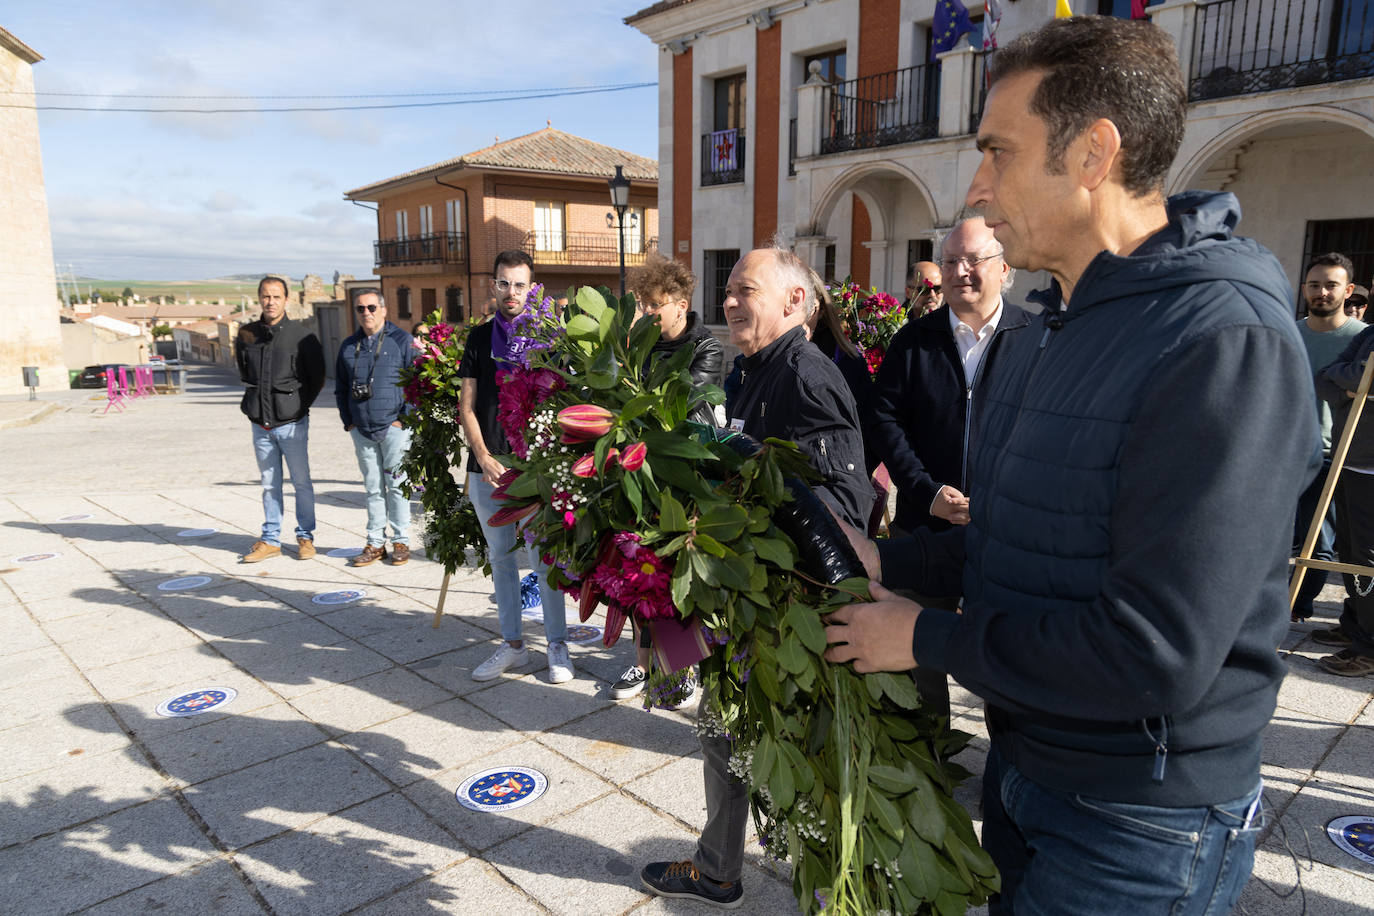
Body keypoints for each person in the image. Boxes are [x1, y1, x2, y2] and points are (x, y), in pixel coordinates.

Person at [822, 17, 1318, 915]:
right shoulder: (1061, 323)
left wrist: (924, 637)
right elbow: (1015, 542)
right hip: (1031, 766)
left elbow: (1155, 652)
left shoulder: (1221, 341)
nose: (975, 186)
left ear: (1093, 155)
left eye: (998, 152)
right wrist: (884, 562)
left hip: (1139, 823)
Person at [641, 246, 870, 909]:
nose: (730, 301)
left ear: (795, 301)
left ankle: (833, 892)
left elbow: (844, 516)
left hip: (785, 626)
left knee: (789, 765)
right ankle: (718, 873)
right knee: (719, 735)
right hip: (739, 614)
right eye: (729, 290)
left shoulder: (807, 376)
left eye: (747, 289)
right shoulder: (747, 374)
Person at [872, 217, 1031, 537]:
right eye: (951, 261)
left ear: (1004, 268)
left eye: (974, 259)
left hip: (1008, 535)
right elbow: (884, 420)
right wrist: (926, 492)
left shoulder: (1036, 341)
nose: (960, 271)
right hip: (921, 533)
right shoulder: (911, 341)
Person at [611, 254, 724, 702]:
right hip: (642, 469)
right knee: (640, 571)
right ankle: (641, 664)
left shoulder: (706, 346)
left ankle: (683, 669)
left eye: (654, 304)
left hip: (684, 472)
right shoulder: (643, 342)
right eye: (643, 303)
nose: (647, 312)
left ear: (680, 302)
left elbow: (678, 403)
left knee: (675, 574)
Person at [459, 250, 574, 685]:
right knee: (502, 559)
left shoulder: (551, 337)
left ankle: (557, 646)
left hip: (537, 470)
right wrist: (484, 456)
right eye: (504, 283)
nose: (512, 292)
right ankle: (512, 646)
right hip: (486, 469)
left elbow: (564, 399)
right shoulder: (478, 338)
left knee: (545, 560)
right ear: (494, 285)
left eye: (520, 284)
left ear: (532, 287)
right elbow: (466, 406)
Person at [1292, 253, 1365, 619]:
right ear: (1304, 288)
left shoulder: (1362, 339)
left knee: (1319, 542)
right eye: (1314, 284)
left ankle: (1297, 607)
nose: (1322, 292)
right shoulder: (1287, 332)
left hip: (1332, 455)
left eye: (1331, 285)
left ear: (1348, 290)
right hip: (1282, 453)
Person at [236, 276, 326, 563]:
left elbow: (317, 379)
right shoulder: (247, 334)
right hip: (259, 424)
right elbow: (245, 372)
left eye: (276, 296)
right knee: (269, 484)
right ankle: (271, 539)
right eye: (265, 296)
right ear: (259, 298)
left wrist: (297, 409)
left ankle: (305, 537)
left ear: (286, 300)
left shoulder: (303, 336)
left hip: (292, 423)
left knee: (301, 482)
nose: (270, 302)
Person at [336, 289, 419, 567]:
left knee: (396, 485)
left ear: (384, 310)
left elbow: (417, 383)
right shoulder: (349, 346)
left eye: (372, 307)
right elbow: (340, 387)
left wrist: (404, 417)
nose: (366, 313)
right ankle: (374, 542)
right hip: (362, 429)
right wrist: (349, 420)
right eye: (360, 309)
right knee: (372, 487)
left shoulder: (402, 340)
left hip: (394, 427)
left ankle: (401, 541)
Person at [1313, 320, 1374, 677]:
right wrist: (1354, 386)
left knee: (1367, 556)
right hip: (1347, 457)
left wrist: (1351, 381)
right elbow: (1324, 377)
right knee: (1349, 550)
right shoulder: (1369, 334)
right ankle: (1354, 625)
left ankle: (1369, 645)